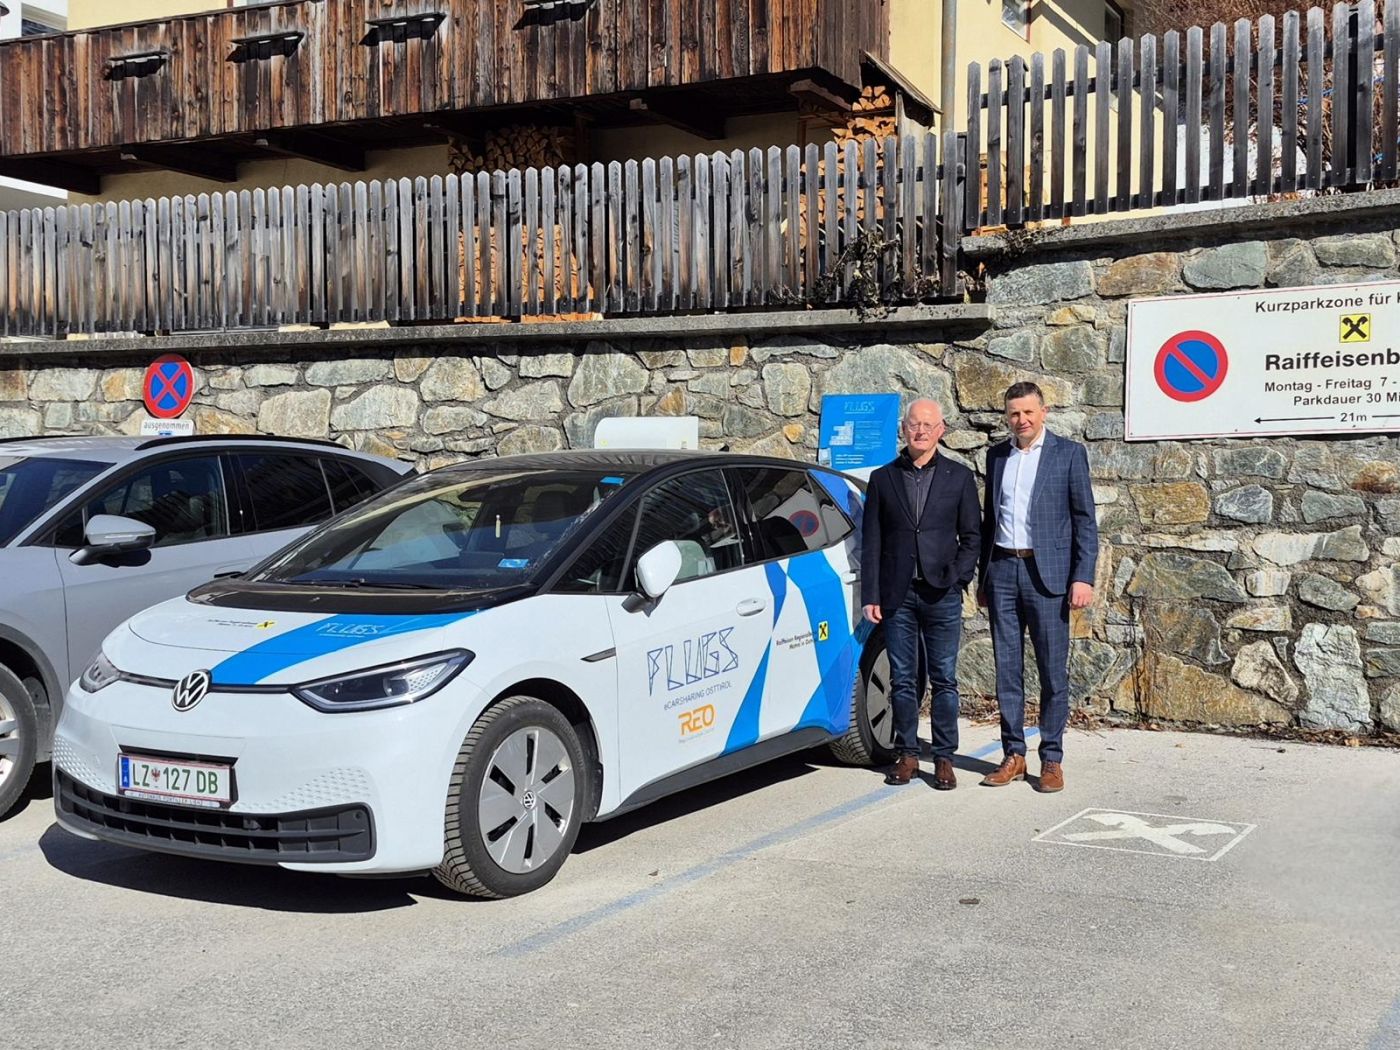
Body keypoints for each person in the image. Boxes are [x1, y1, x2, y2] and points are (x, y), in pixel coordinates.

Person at [977, 382, 1098, 793]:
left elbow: (1084, 520)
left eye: (1028, 412)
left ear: (1043, 412)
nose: (1021, 420)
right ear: (1006, 417)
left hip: (1048, 574)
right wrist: (984, 578)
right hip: (1002, 570)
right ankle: (1013, 754)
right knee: (1007, 669)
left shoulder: (1068, 454)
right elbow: (989, 521)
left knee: (1051, 671)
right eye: (1014, 413)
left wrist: (1083, 576)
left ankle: (1051, 758)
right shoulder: (997, 456)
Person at [861, 399, 980, 788]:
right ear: (903, 429)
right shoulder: (883, 478)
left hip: (941, 593)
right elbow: (872, 541)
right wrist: (871, 594)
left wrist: (958, 578)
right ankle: (908, 754)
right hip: (898, 595)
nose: (921, 431)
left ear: (941, 430)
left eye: (928, 425)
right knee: (903, 679)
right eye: (914, 424)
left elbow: (972, 537)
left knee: (944, 678)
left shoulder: (958, 477)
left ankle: (944, 757)